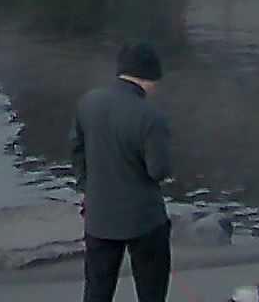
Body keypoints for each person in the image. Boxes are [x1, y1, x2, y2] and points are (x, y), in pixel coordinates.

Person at [70, 40, 179, 302]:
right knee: (151, 292)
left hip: (99, 217)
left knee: (97, 290)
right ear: (148, 77)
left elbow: (76, 151)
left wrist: (87, 188)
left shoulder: (88, 102)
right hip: (145, 220)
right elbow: (158, 171)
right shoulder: (151, 117)